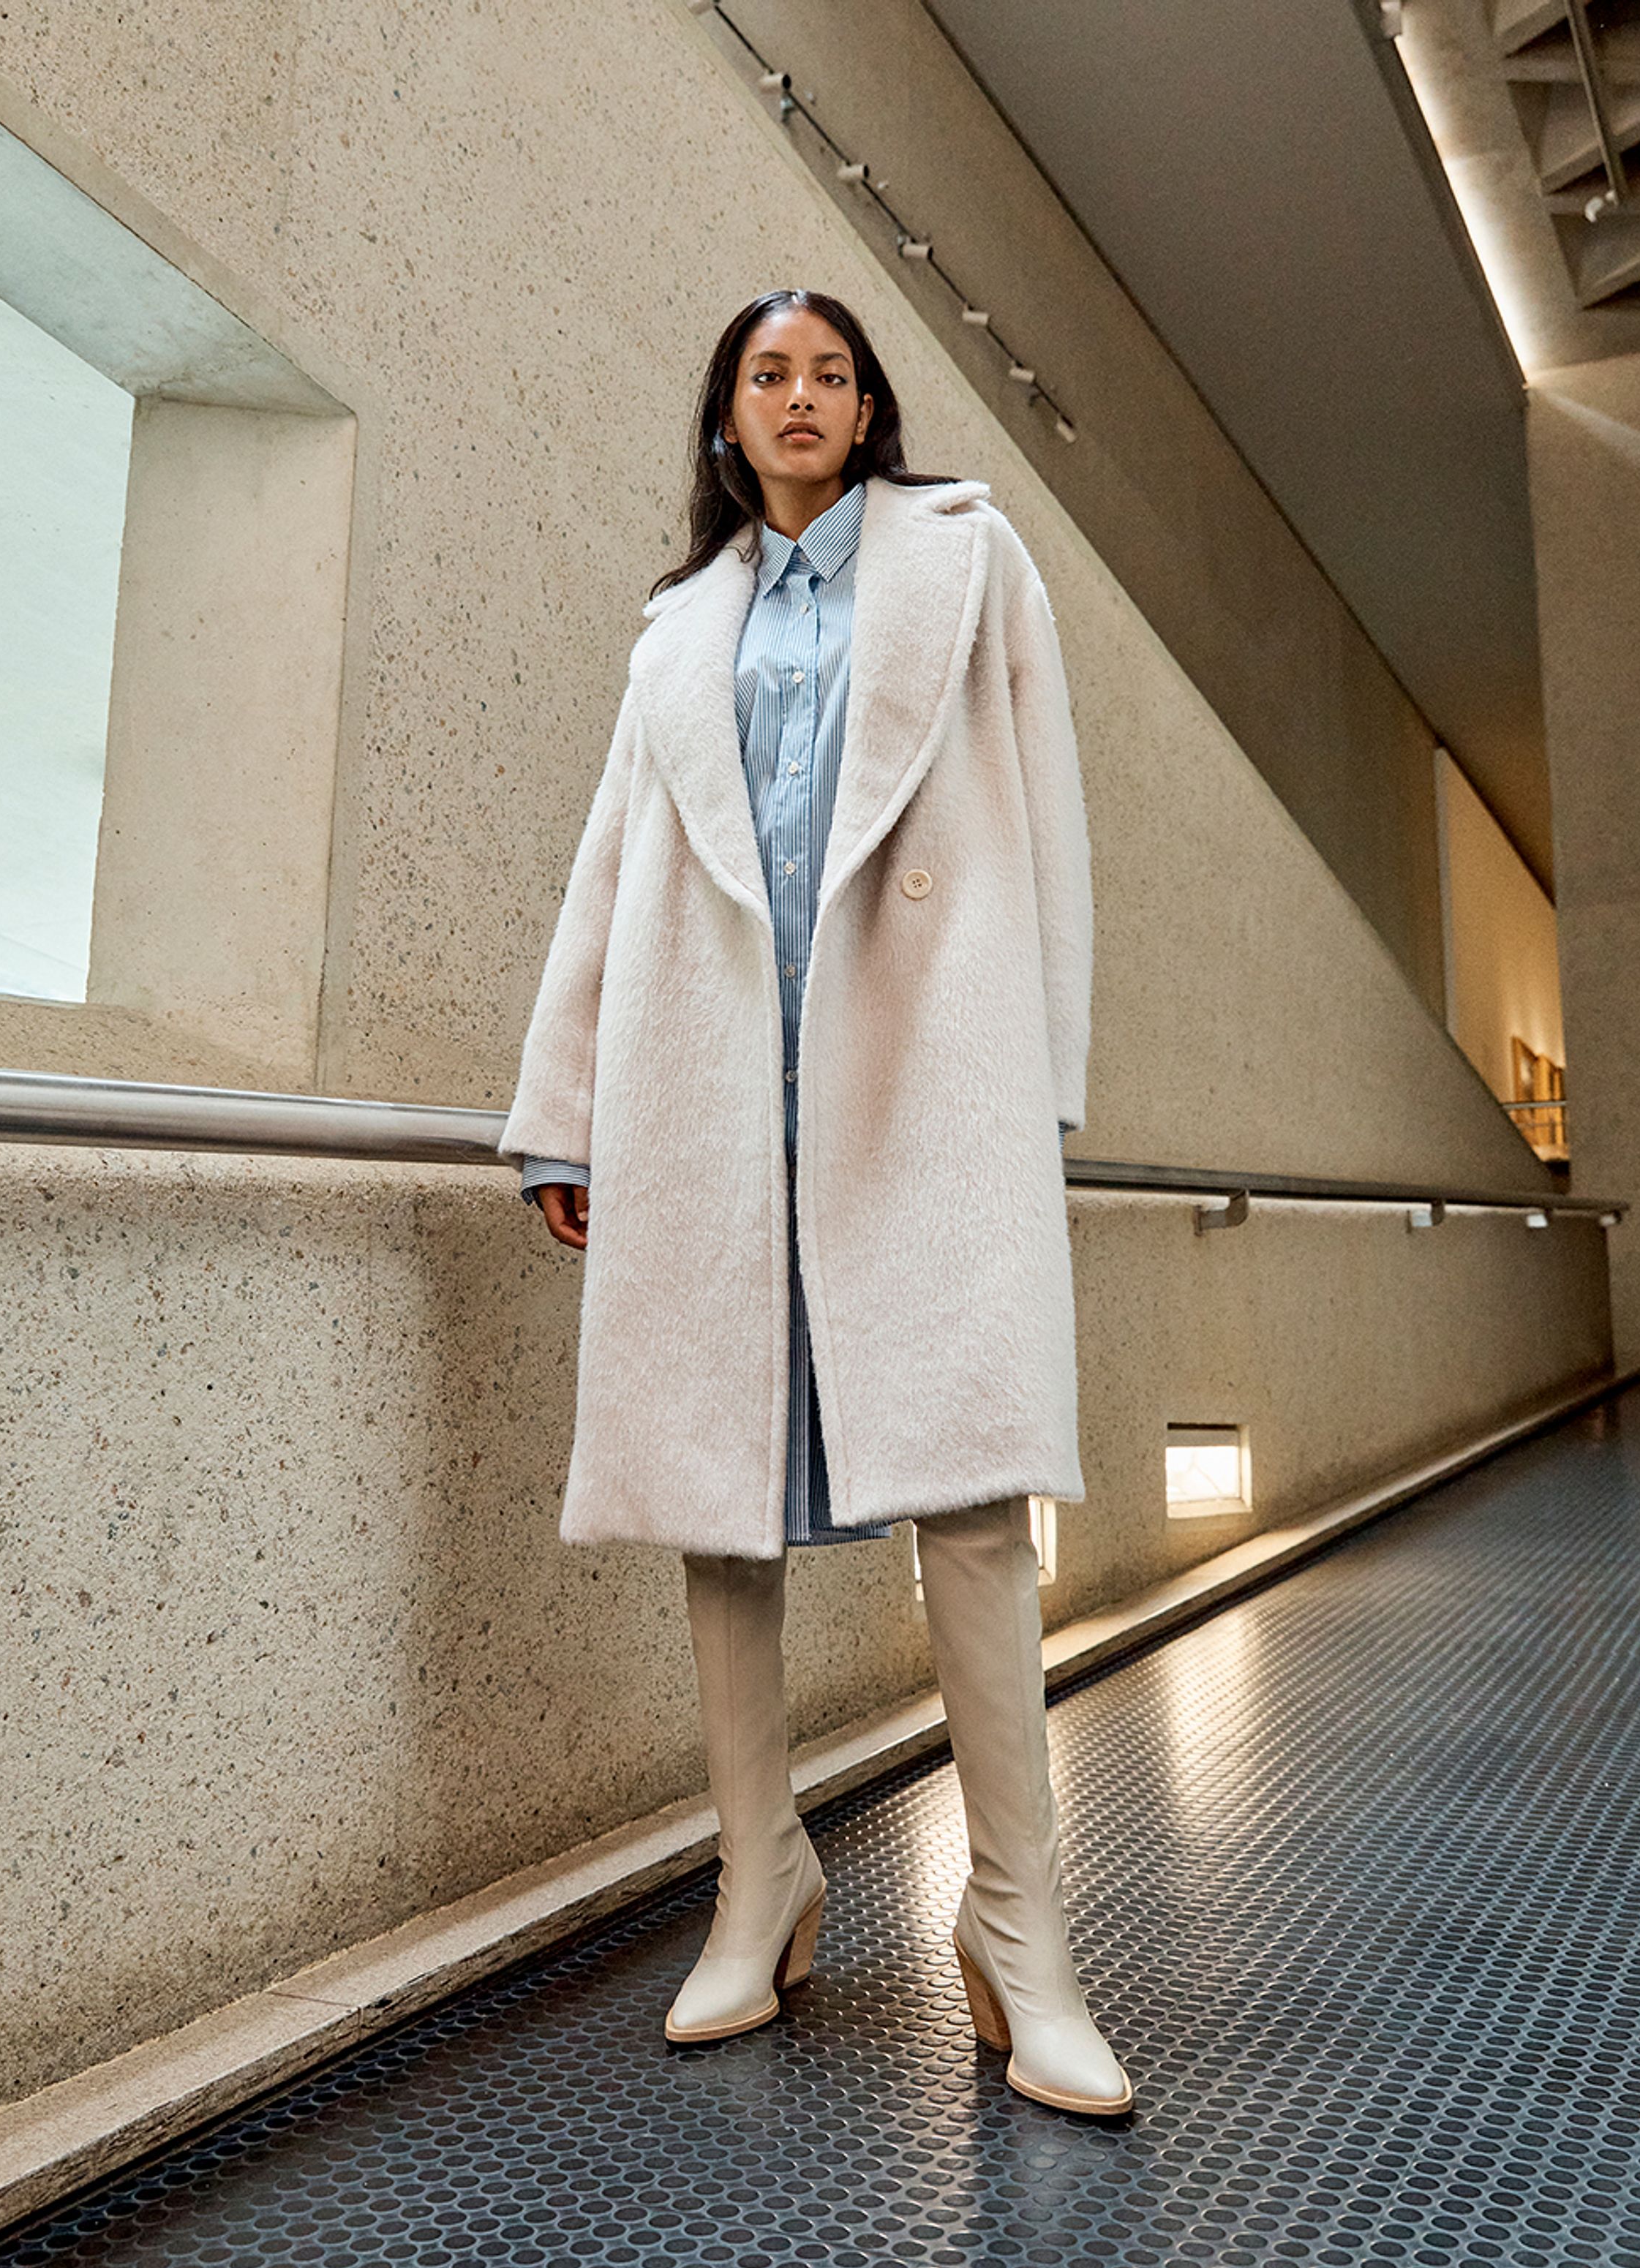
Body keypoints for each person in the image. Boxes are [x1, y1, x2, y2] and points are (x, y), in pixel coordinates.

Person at [499, 287, 1132, 2116]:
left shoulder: (968, 558)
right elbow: (611, 866)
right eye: (767, 375)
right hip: (713, 1097)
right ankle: (757, 1873)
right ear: (728, 418)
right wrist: (567, 1114)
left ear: (868, 412)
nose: (800, 397)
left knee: (970, 1497)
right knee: (725, 1499)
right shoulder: (673, 633)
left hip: (923, 1081)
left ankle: (1017, 1926)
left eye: (830, 374)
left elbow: (1053, 820)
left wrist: (1042, 1082)